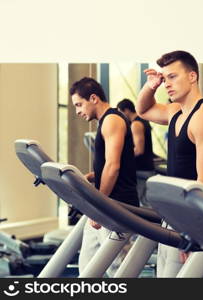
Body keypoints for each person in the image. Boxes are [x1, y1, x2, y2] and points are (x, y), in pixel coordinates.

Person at [136, 50, 203, 277]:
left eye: (172, 77)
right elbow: (143, 110)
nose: (167, 84)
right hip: (172, 214)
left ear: (192, 76)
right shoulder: (175, 111)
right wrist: (151, 85)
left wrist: (192, 233)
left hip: (189, 219)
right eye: (165, 79)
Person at [70, 77, 138, 276]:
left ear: (93, 98)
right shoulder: (105, 121)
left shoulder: (112, 120)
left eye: (79, 104)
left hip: (116, 206)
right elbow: (111, 164)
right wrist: (94, 175)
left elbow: (113, 165)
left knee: (118, 270)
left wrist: (99, 206)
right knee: (88, 268)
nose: (77, 111)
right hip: (104, 206)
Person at [117, 98, 155, 206]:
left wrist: (121, 158)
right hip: (144, 169)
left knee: (143, 205)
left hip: (141, 170)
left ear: (127, 110)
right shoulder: (142, 121)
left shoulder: (136, 124)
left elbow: (139, 150)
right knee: (143, 203)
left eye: (121, 113)